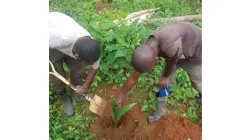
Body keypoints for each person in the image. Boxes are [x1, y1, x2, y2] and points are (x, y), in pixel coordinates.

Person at [115, 22, 202, 124]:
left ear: (156, 59)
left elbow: (174, 59)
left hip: (196, 52)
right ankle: (161, 111)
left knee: (199, 84)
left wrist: (165, 76)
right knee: (164, 82)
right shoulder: (145, 50)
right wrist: (121, 95)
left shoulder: (170, 47)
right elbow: (134, 76)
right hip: (176, 52)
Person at [49, 12, 101, 117]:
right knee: (56, 77)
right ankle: (65, 99)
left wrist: (84, 87)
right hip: (50, 44)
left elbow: (95, 67)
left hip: (66, 40)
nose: (91, 64)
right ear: (76, 55)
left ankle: (77, 95)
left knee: (78, 70)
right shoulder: (56, 37)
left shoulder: (91, 47)